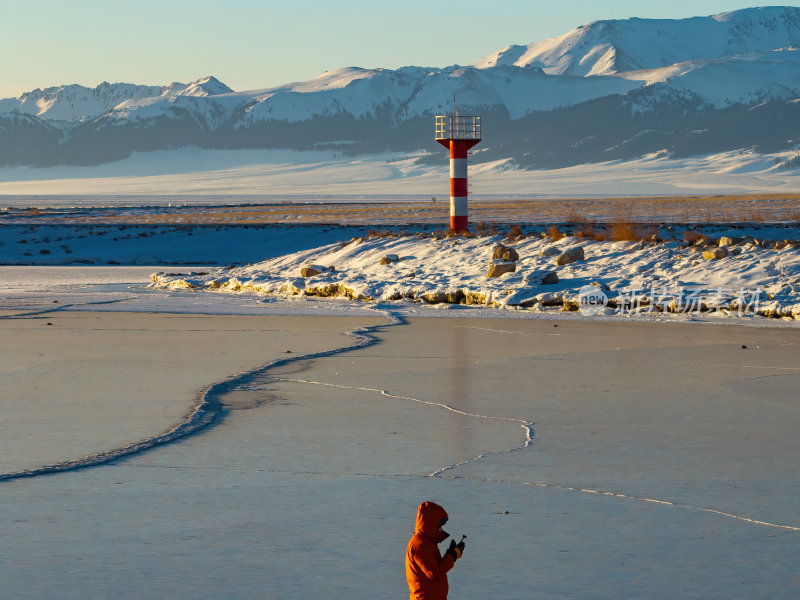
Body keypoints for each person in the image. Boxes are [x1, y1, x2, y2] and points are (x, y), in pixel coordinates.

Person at [405, 501, 466, 600]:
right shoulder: (420, 546)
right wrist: (452, 556)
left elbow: (435, 567)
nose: (442, 529)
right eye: (440, 526)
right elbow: (434, 573)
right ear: (431, 524)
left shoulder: (427, 543)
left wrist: (451, 554)